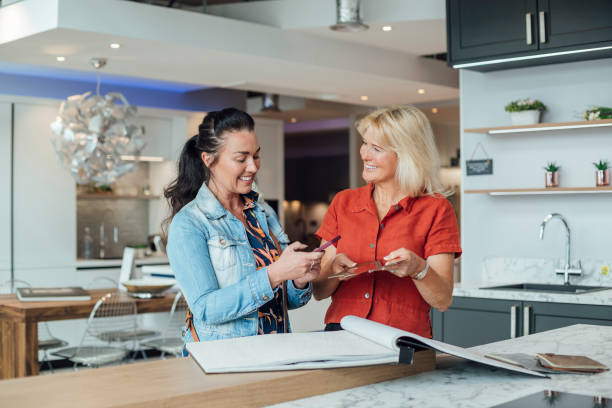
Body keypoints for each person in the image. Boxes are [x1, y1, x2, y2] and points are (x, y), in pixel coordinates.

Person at [164, 108, 322, 346]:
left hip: (277, 350)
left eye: (256, 155)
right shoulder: (189, 223)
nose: (253, 166)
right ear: (209, 160)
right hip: (224, 358)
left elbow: (287, 300)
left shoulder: (263, 212)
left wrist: (300, 279)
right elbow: (206, 309)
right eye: (241, 158)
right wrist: (275, 274)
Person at [313, 105, 462, 338]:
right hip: (340, 336)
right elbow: (319, 291)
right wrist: (333, 272)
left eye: (376, 148)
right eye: (365, 143)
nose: (365, 154)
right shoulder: (343, 203)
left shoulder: (437, 209)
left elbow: (442, 300)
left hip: (402, 341)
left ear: (406, 154)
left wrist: (418, 269)